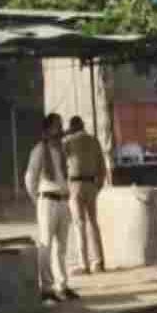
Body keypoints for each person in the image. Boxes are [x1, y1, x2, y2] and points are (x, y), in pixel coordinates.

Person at [24, 113, 78, 302]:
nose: (60, 130)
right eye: (57, 126)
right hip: (47, 200)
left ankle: (62, 286)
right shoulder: (40, 150)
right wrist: (37, 200)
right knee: (45, 245)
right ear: (47, 131)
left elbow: (64, 176)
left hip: (62, 201)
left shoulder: (61, 150)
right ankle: (46, 288)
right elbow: (29, 178)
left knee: (61, 247)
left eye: (61, 126)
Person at [64, 116, 109, 275]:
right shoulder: (94, 141)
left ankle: (84, 265)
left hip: (74, 185)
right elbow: (102, 167)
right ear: (82, 125)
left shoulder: (67, 142)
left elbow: (62, 165)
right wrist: (97, 187)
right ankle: (98, 262)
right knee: (92, 223)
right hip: (91, 184)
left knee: (79, 224)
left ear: (72, 127)